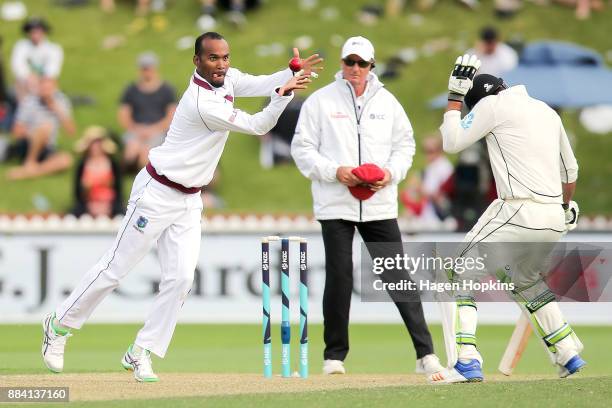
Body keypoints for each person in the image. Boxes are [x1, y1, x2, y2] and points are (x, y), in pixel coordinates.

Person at [40, 31, 320, 382]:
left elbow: (261, 83)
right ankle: (59, 325)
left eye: (225, 57)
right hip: (156, 193)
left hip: (189, 199)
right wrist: (285, 93)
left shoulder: (227, 79)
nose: (222, 64)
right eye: (214, 58)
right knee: (115, 268)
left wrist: (288, 73)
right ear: (197, 61)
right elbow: (257, 124)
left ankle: (140, 351)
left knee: (182, 278)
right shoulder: (202, 104)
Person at [291, 36, 443, 376]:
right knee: (340, 276)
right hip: (335, 202)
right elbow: (302, 149)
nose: (355, 69)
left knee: (397, 275)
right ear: (342, 63)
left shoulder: (388, 102)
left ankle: (425, 354)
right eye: (350, 62)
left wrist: (390, 174)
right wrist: (336, 172)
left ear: (372, 66)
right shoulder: (319, 102)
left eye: (362, 63)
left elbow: (405, 146)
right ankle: (334, 357)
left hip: (379, 203)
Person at [429, 55, 585, 383]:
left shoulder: (491, 106)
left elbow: (452, 141)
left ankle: (466, 360)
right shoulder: (545, 110)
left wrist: (455, 98)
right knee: (524, 280)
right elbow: (569, 171)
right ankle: (568, 352)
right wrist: (565, 207)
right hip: (554, 215)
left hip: (518, 209)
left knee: (457, 269)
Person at [7, 77, 75, 180]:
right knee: (45, 127)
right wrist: (33, 134)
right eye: (43, 88)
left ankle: (29, 172)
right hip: (28, 144)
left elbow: (71, 132)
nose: (45, 92)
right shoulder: (29, 102)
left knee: (66, 160)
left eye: (48, 88)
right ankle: (30, 161)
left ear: (55, 88)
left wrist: (57, 109)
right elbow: (16, 131)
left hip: (47, 147)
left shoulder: (61, 101)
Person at [118, 52, 177, 171]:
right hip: (136, 130)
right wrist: (136, 129)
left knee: (146, 152)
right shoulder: (131, 90)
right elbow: (124, 115)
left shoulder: (167, 90)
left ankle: (145, 177)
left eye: (149, 68)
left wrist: (153, 130)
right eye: (144, 69)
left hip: (159, 131)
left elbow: (172, 116)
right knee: (131, 149)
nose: (146, 72)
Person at [71, 126, 123, 218]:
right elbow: (78, 191)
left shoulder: (112, 164)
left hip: (109, 203)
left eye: (98, 143)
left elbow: (118, 189)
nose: (96, 147)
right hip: (88, 203)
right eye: (93, 144)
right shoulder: (82, 165)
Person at [400, 135, 453, 224]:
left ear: (440, 150)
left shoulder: (444, 168)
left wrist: (419, 188)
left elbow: (445, 199)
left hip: (439, 218)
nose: (427, 155)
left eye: (431, 151)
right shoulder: (430, 168)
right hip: (427, 215)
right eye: (425, 151)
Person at [10, 17, 63, 100]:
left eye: (38, 31)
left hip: (45, 83)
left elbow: (52, 71)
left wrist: (41, 82)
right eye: (32, 32)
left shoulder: (54, 49)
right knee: (19, 84)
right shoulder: (21, 46)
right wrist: (29, 77)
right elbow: (18, 67)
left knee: (49, 86)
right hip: (25, 84)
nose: (35, 35)